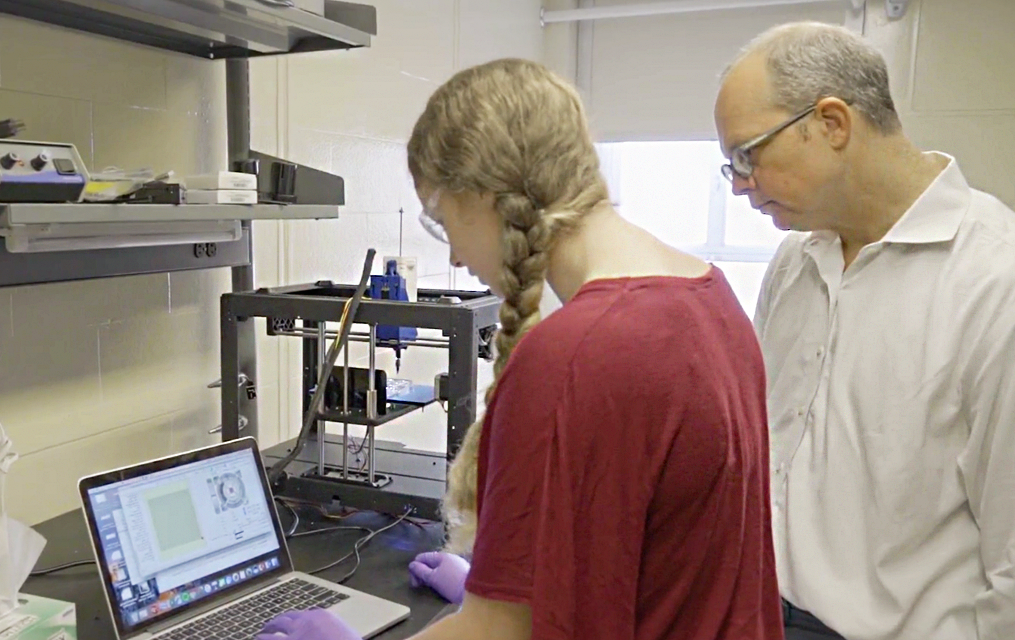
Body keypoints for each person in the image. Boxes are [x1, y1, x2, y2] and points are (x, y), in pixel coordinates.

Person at [256, 58, 783, 640]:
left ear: (485, 196)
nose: (455, 256)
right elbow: (643, 546)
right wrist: (510, 577)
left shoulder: (576, 354)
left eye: (441, 220)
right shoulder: (709, 295)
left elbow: (498, 634)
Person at [714, 21, 1015, 640]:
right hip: (761, 614)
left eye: (747, 155)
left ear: (832, 124)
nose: (739, 183)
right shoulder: (797, 261)